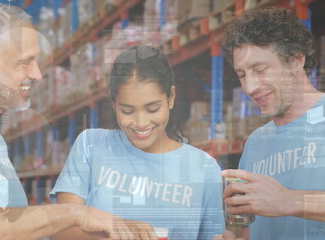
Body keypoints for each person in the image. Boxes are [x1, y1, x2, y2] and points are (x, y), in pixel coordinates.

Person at [0, 1, 144, 239]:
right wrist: (74, 213)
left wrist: (116, 229)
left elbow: (12, 227)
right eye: (24, 62)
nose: (37, 74)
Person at [220, 7, 325, 240]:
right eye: (242, 75)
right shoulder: (256, 142)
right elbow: (254, 230)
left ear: (296, 59)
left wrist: (290, 200)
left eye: (261, 69)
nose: (250, 87)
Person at [50, 45, 226, 239]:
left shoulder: (204, 168)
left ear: (171, 98)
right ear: (114, 104)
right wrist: (118, 232)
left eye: (152, 109)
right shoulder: (91, 146)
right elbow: (61, 229)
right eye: (127, 111)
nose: (141, 123)